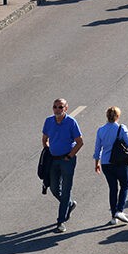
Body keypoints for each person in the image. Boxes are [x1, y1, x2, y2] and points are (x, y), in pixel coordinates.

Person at [42, 98, 83, 233]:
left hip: (67, 160)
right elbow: (44, 139)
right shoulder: (49, 121)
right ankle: (69, 204)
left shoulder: (71, 122)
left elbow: (79, 142)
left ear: (66, 108)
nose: (57, 110)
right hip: (53, 160)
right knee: (54, 188)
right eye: (55, 107)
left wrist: (70, 156)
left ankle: (60, 221)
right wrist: (48, 151)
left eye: (60, 107)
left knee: (66, 190)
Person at [93, 106, 128, 226]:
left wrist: (97, 163)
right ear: (118, 116)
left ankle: (113, 217)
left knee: (113, 188)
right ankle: (119, 210)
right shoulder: (121, 128)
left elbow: (97, 148)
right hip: (119, 162)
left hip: (105, 163)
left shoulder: (101, 130)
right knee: (125, 185)